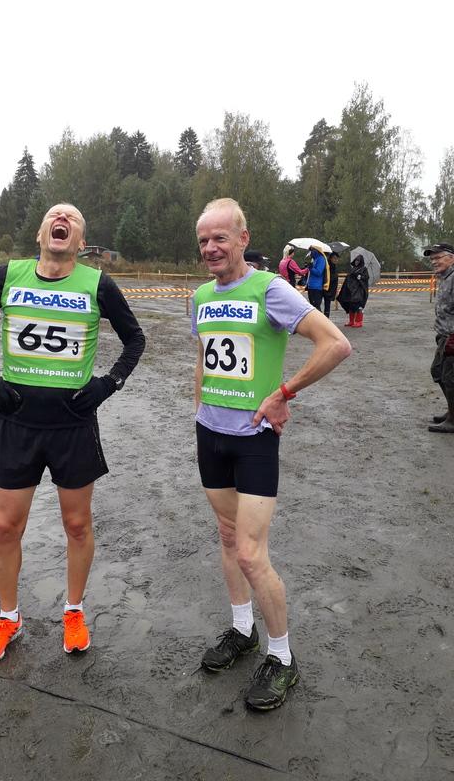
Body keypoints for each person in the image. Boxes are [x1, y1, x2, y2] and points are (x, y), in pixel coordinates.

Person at [0, 203, 145, 662]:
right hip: (17, 421)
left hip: (72, 424)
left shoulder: (98, 284)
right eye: (54, 216)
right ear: (41, 234)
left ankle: (74, 611)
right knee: (5, 526)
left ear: (80, 242)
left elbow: (134, 339)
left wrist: (107, 385)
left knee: (77, 525)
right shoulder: (9, 275)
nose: (62, 219)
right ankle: (8, 618)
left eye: (73, 218)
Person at [193, 198, 351, 711]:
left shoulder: (270, 289)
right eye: (203, 240)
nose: (211, 248)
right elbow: (204, 358)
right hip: (210, 435)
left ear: (243, 238)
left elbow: (335, 344)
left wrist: (284, 393)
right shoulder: (200, 296)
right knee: (227, 536)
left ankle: (282, 658)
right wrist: (199, 410)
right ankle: (243, 631)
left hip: (254, 440)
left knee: (249, 553)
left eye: (220, 238)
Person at [423, 243, 454, 434]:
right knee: (438, 372)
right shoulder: (444, 277)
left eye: (438, 257)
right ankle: (452, 410)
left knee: (450, 378)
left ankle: (453, 420)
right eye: (432, 259)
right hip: (443, 335)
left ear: (451, 258)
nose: (434, 262)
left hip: (452, 336)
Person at [337, 254, 369, 327]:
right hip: (351, 290)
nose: (357, 262)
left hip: (359, 291)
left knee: (358, 305)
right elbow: (348, 278)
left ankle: (359, 322)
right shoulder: (353, 268)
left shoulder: (364, 269)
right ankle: (351, 321)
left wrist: (361, 277)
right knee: (351, 305)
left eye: (358, 260)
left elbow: (366, 278)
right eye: (356, 260)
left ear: (361, 261)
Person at [305, 245, 329, 310]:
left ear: (316, 250)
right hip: (311, 286)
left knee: (316, 307)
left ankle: (320, 317)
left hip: (317, 287)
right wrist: (308, 266)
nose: (310, 252)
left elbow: (319, 272)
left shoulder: (321, 259)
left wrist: (311, 268)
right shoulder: (314, 259)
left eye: (312, 250)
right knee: (313, 307)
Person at [322, 252, 340, 318]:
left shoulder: (334, 266)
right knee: (323, 305)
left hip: (331, 289)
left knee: (327, 305)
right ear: (330, 258)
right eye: (334, 258)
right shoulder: (328, 266)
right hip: (326, 288)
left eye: (337, 259)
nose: (336, 260)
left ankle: (326, 318)